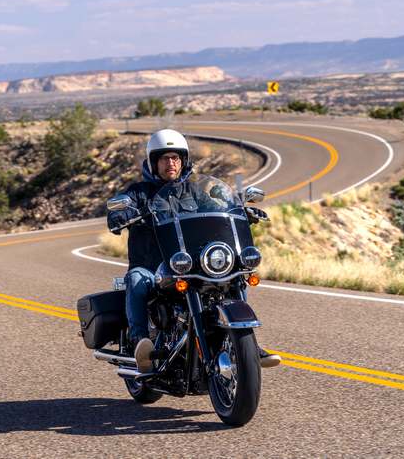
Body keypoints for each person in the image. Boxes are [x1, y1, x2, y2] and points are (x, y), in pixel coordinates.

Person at [107, 129, 280, 372]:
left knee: (235, 277)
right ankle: (140, 343)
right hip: (153, 267)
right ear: (154, 162)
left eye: (175, 158)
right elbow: (115, 213)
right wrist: (122, 215)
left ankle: (246, 345)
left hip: (190, 263)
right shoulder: (138, 192)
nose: (171, 163)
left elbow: (216, 210)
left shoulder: (194, 191)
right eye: (164, 158)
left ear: (183, 161)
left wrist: (241, 212)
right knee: (136, 280)